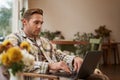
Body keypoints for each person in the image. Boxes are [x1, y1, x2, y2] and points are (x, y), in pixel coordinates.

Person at [5, 8, 109, 80]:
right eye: (36, 22)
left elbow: (59, 54)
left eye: (41, 23)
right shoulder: (13, 39)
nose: (39, 26)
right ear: (24, 22)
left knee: (101, 77)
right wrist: (50, 66)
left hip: (58, 76)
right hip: (42, 77)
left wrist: (74, 59)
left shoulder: (44, 40)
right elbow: (16, 65)